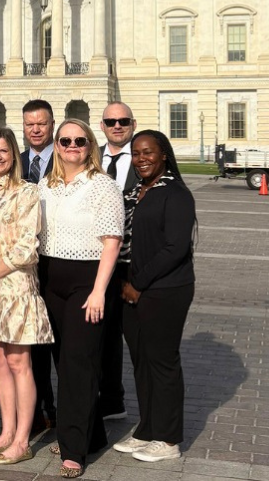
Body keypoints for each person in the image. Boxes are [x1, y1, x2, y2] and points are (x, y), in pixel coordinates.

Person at [38, 118, 123, 478]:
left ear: (90, 145)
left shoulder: (102, 185)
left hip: (86, 281)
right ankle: (93, 434)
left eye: (80, 140)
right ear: (56, 146)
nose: (72, 146)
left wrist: (99, 290)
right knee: (63, 361)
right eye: (65, 141)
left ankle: (73, 448)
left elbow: (112, 240)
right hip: (50, 277)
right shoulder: (46, 184)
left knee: (78, 364)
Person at [0, 128, 54, 465]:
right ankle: (6, 432)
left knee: (19, 362)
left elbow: (27, 247)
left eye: (4, 151)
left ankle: (22, 440)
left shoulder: (27, 191)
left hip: (13, 285)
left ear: (13, 154)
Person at [113, 130, 195, 463]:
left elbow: (176, 247)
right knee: (141, 363)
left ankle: (169, 438)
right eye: (136, 153)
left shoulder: (175, 193)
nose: (142, 158)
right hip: (130, 289)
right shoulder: (134, 192)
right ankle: (147, 429)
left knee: (162, 363)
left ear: (163, 154)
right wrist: (123, 282)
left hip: (165, 289)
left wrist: (139, 282)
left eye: (148, 152)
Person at [97, 102, 138, 422]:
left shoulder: (144, 156)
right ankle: (112, 400)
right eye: (111, 121)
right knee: (104, 336)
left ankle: (152, 412)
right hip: (97, 262)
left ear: (132, 124)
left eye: (123, 121)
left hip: (133, 264)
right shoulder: (89, 155)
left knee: (137, 338)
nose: (117, 126)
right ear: (102, 126)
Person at [19, 98, 57, 433]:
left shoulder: (66, 157)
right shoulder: (16, 162)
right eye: (30, 124)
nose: (35, 129)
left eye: (41, 123)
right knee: (33, 346)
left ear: (52, 125)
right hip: (23, 268)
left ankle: (65, 413)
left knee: (61, 347)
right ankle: (41, 410)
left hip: (56, 263)